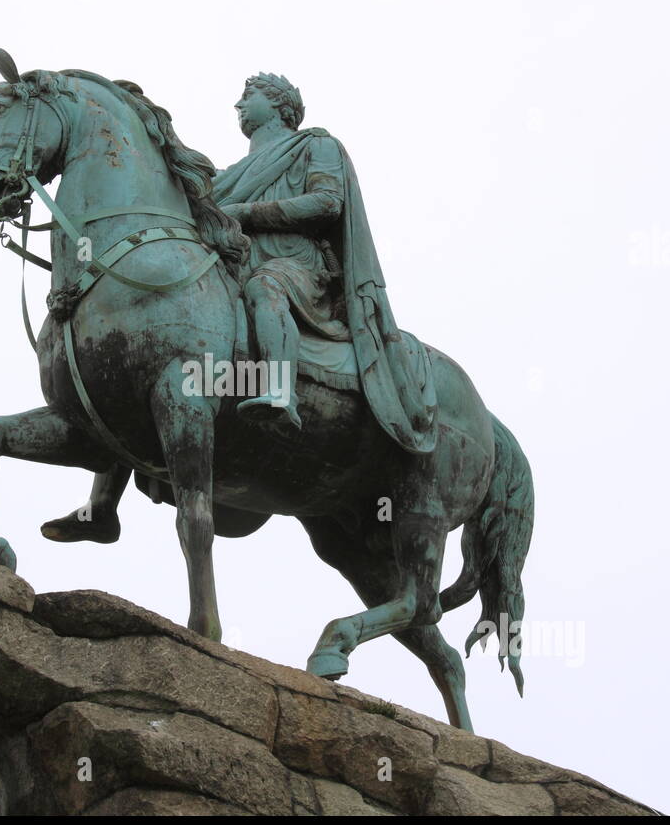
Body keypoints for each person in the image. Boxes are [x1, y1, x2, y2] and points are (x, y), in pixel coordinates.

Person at [40, 73, 437, 544]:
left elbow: (327, 203)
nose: (239, 104)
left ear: (281, 104)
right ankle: (104, 505)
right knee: (155, 344)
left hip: (296, 267)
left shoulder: (316, 145)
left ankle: (279, 392)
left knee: (265, 289)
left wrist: (246, 214)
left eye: (250, 96)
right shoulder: (228, 175)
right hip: (235, 265)